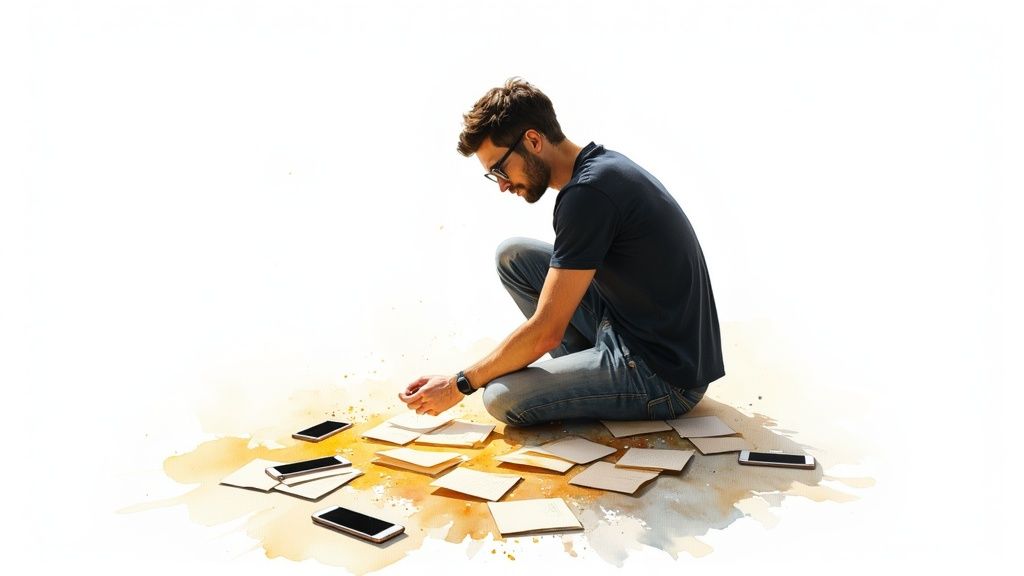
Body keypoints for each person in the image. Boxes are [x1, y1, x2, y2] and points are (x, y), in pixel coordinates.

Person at [398, 78, 724, 426]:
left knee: (500, 397)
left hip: (662, 374)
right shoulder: (602, 167)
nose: (503, 185)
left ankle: (593, 382)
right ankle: (585, 373)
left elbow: (547, 331)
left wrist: (457, 384)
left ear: (533, 141)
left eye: (499, 169)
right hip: (631, 325)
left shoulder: (588, 196)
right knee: (513, 257)